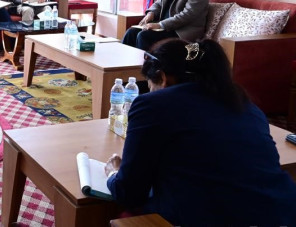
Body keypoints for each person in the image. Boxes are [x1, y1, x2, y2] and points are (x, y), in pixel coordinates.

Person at [104, 38, 296, 225]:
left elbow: (129, 193)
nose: (150, 91)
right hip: (282, 214)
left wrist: (114, 173)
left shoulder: (153, 105)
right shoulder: (246, 105)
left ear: (162, 78)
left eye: (150, 86)